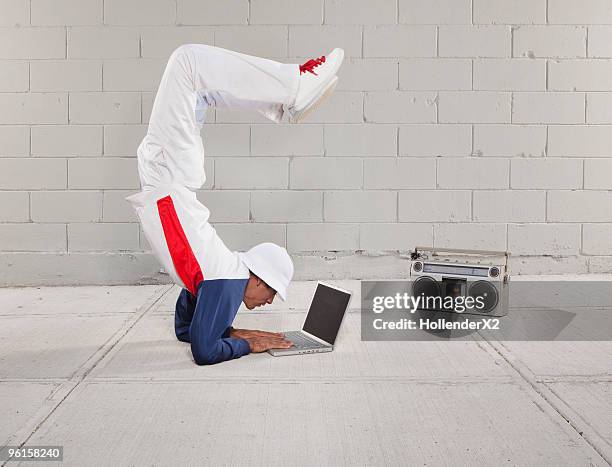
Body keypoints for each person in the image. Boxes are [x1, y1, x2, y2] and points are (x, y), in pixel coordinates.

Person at [125, 43, 345, 365]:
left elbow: (185, 329)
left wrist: (232, 332)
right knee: (189, 64)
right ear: (256, 278)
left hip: (167, 177)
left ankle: (283, 103)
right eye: (271, 292)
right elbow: (204, 351)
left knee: (198, 80)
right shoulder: (225, 282)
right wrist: (246, 344)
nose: (269, 302)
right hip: (169, 176)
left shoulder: (218, 276)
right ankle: (294, 87)